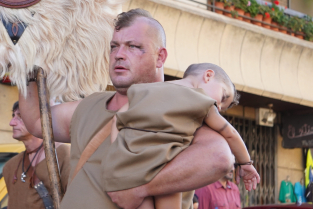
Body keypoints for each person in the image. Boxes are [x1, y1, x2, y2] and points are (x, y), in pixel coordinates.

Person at [19, 9, 253, 209]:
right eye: (114, 46)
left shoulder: (183, 110)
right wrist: (25, 68)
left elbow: (221, 158)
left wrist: (140, 189)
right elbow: (38, 122)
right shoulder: (91, 103)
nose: (119, 55)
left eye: (133, 46)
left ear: (160, 57)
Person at [104, 64, 259, 209]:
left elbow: (118, 118)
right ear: (208, 76)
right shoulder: (202, 101)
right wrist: (246, 163)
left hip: (133, 167)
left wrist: (118, 155)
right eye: (223, 97)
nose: (219, 107)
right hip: (166, 167)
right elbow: (230, 134)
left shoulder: (145, 89)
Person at [2, 101, 71, 209]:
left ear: (40, 119)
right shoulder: (10, 166)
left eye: (20, 116)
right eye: (13, 116)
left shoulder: (64, 155)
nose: (12, 123)